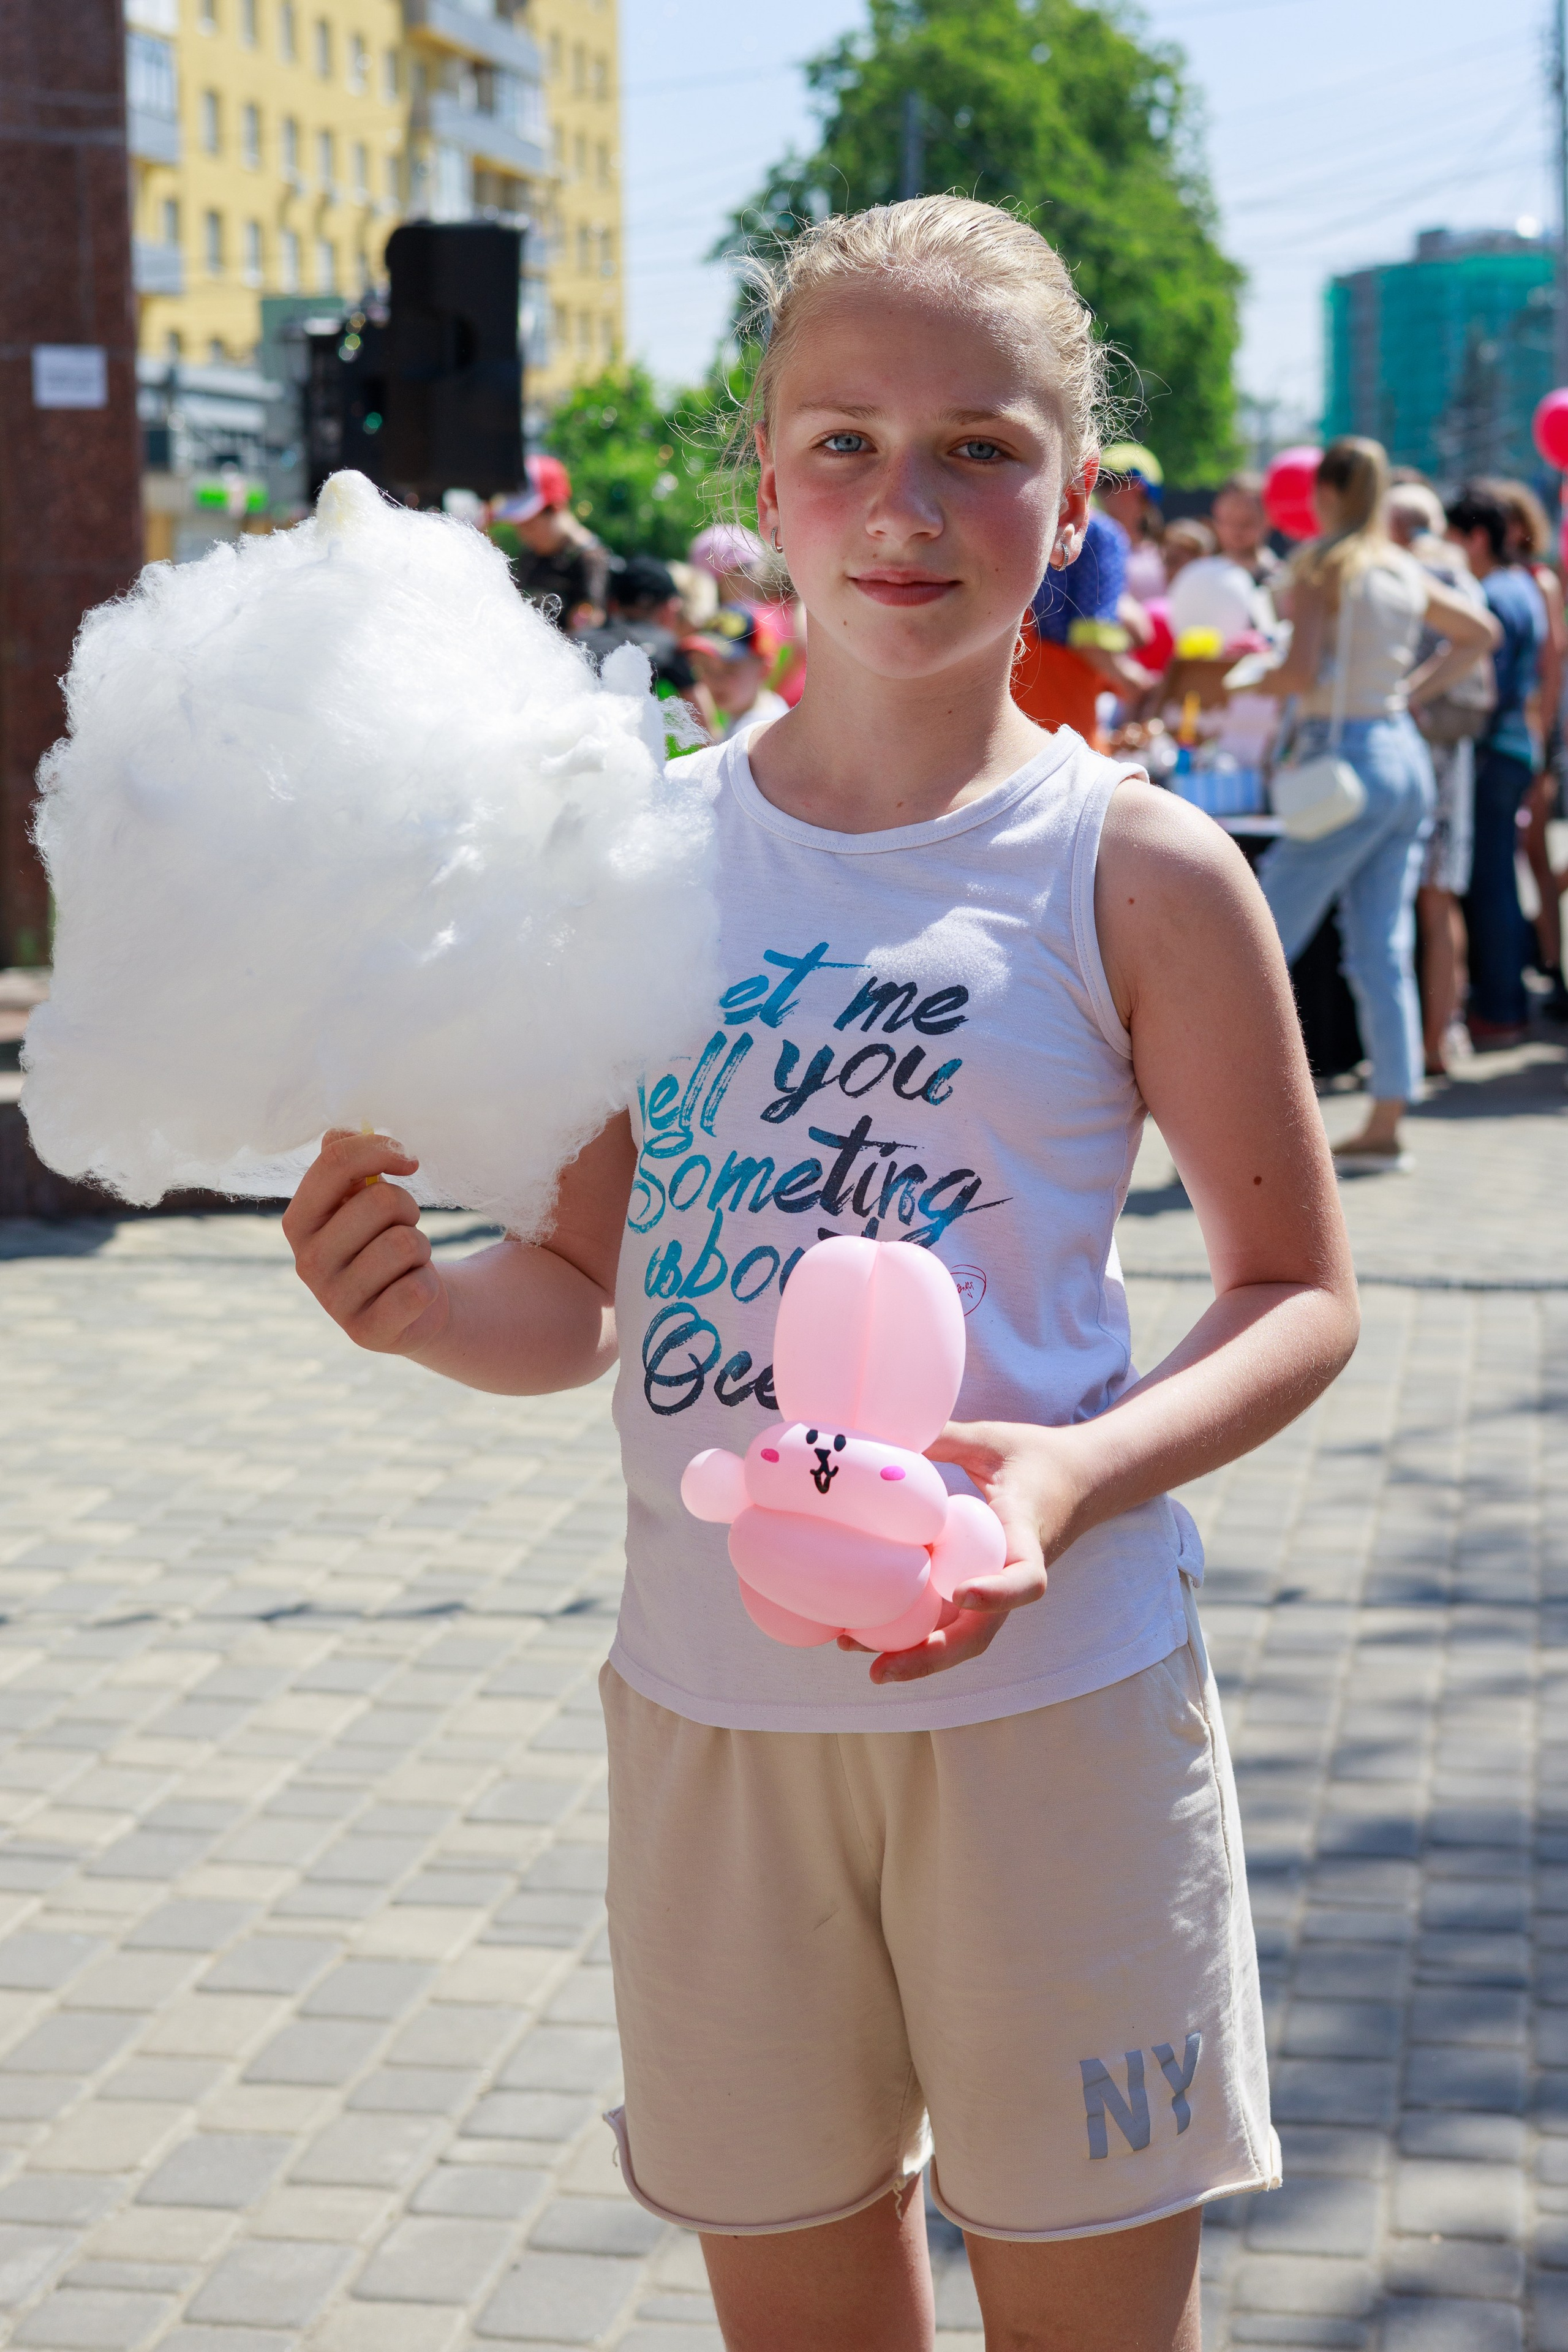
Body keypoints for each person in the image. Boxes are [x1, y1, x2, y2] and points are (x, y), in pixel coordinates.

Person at [280, 194, 1365, 2352]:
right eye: (847, 443)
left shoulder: (1135, 870)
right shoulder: (647, 854)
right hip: (712, 1715)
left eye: (983, 445)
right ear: (763, 482)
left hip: (1055, 1722)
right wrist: (417, 1307)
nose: (909, 504)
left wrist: (1064, 1482)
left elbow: (1296, 1291)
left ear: (1075, 500)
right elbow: (579, 1282)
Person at [1258, 439, 1497, 1170]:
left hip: (1349, 766)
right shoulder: (1399, 565)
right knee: (1379, 949)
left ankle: (1240, 1126)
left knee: (1251, 939)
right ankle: (1386, 1120)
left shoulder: (1324, 564)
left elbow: (1297, 670)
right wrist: (1409, 693)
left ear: (1325, 492)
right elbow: (1479, 634)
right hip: (1401, 757)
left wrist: (1232, 682)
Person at [1384, 482, 1493, 1076]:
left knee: (1405, 904)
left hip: (1418, 750)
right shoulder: (1462, 576)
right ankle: (1440, 1036)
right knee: (1440, 900)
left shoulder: (1409, 576)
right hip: (1455, 751)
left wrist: (1406, 694)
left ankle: (1417, 1045)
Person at [1446, 486, 1548, 1045]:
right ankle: (1504, 1003)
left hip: (1495, 751)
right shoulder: (1521, 587)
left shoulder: (1495, 596)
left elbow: (1489, 686)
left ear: (1477, 538)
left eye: (1453, 538)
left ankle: (1501, 1007)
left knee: (1489, 884)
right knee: (1497, 880)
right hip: (1516, 747)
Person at [1480, 477, 1568, 1019]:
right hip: (1529, 731)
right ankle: (1539, 955)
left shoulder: (1536, 581)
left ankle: (1551, 964)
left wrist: (1543, 741)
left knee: (1533, 852)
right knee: (1522, 854)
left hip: (1537, 731)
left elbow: (1551, 665)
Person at [1011, 503, 1150, 745]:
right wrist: (1134, 683)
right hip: (1063, 706)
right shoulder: (1102, 535)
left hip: (1007, 696)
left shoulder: (1011, 523)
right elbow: (1093, 637)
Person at [578, 553, 710, 743]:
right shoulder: (668, 647)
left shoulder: (577, 641)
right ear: (671, 608)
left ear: (613, 605)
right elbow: (706, 731)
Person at [492, 455, 609, 631]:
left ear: (556, 507)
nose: (523, 534)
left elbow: (588, 629)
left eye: (528, 523)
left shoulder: (589, 558)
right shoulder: (530, 555)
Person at [681, 604, 788, 740]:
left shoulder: (756, 733)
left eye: (729, 668)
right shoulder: (759, 708)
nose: (716, 680)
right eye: (706, 668)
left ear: (765, 668)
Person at [1096, 442, 1166, 602]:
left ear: (1140, 490)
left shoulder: (1169, 557)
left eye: (1110, 482)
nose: (1099, 491)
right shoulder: (1080, 552)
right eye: (1096, 481)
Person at [1210, 472, 1280, 590]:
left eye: (1248, 522)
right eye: (1230, 520)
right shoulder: (1206, 576)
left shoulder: (1281, 580)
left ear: (1268, 520)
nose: (1238, 530)